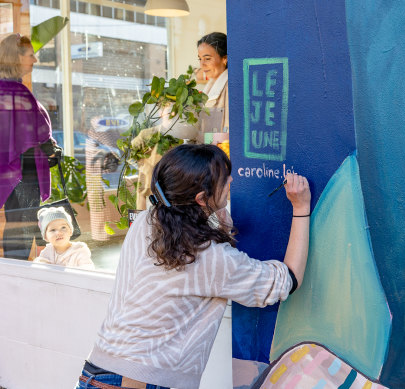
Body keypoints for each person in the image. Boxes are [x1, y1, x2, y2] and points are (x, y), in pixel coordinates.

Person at [75, 144, 311, 389]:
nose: (231, 179)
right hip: (140, 381)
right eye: (223, 179)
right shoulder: (206, 255)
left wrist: (215, 217)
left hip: (96, 373)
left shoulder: (147, 221)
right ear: (200, 199)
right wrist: (301, 208)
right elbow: (287, 280)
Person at [0, 33, 57, 259]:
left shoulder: (7, 90)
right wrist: (49, 146)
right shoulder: (16, 93)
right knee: (21, 235)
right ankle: (16, 289)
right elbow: (36, 134)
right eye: (30, 55)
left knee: (16, 229)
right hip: (24, 172)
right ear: (16, 58)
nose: (35, 60)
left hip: (13, 171)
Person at [196, 32, 229, 145]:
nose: (202, 64)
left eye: (207, 59)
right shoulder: (209, 87)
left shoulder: (230, 87)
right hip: (208, 153)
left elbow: (228, 135)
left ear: (224, 59)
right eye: (200, 59)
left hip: (221, 155)